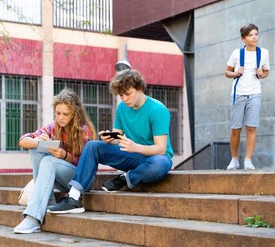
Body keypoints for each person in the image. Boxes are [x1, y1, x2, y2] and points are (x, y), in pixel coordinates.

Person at [47, 69, 173, 214]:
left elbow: (161, 149)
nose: (124, 99)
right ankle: (74, 198)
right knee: (93, 145)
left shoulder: (157, 110)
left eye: (128, 94)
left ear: (139, 88)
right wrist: (109, 138)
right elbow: (117, 139)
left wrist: (136, 147)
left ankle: (126, 178)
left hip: (154, 158)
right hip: (131, 155)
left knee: (160, 163)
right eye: (121, 95)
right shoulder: (122, 108)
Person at [13, 88, 96, 233]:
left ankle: (33, 218)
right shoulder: (53, 127)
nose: (61, 118)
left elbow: (87, 166)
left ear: (74, 114)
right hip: (62, 178)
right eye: (58, 113)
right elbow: (23, 140)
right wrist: (39, 142)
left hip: (83, 180)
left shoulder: (84, 130)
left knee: (49, 161)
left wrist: (64, 155)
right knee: (36, 149)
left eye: (65, 114)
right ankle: (48, 201)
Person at [225, 23, 270, 170]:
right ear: (243, 39)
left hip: (255, 94)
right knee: (235, 128)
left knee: (251, 127)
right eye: (251, 35)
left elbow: (266, 72)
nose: (254, 37)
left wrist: (260, 74)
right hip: (238, 94)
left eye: (256, 34)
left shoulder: (263, 53)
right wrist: (236, 73)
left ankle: (248, 160)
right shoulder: (237, 53)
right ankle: (234, 159)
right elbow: (227, 72)